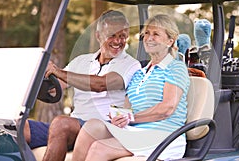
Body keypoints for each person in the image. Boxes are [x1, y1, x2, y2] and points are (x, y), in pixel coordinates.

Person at [24, 10, 141, 161]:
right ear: (98, 36)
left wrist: (58, 72)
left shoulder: (130, 64)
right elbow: (55, 87)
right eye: (112, 35)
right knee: (20, 127)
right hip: (75, 125)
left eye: (122, 36)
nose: (118, 41)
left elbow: (100, 84)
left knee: (61, 123)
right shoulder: (81, 61)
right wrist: (38, 78)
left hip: (103, 128)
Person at [71, 14, 190, 161]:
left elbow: (166, 109)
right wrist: (118, 117)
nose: (149, 38)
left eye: (156, 34)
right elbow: (127, 109)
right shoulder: (140, 73)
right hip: (135, 132)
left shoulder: (175, 67)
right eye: (146, 33)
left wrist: (131, 118)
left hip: (163, 135)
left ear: (170, 41)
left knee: (98, 148)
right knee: (91, 127)